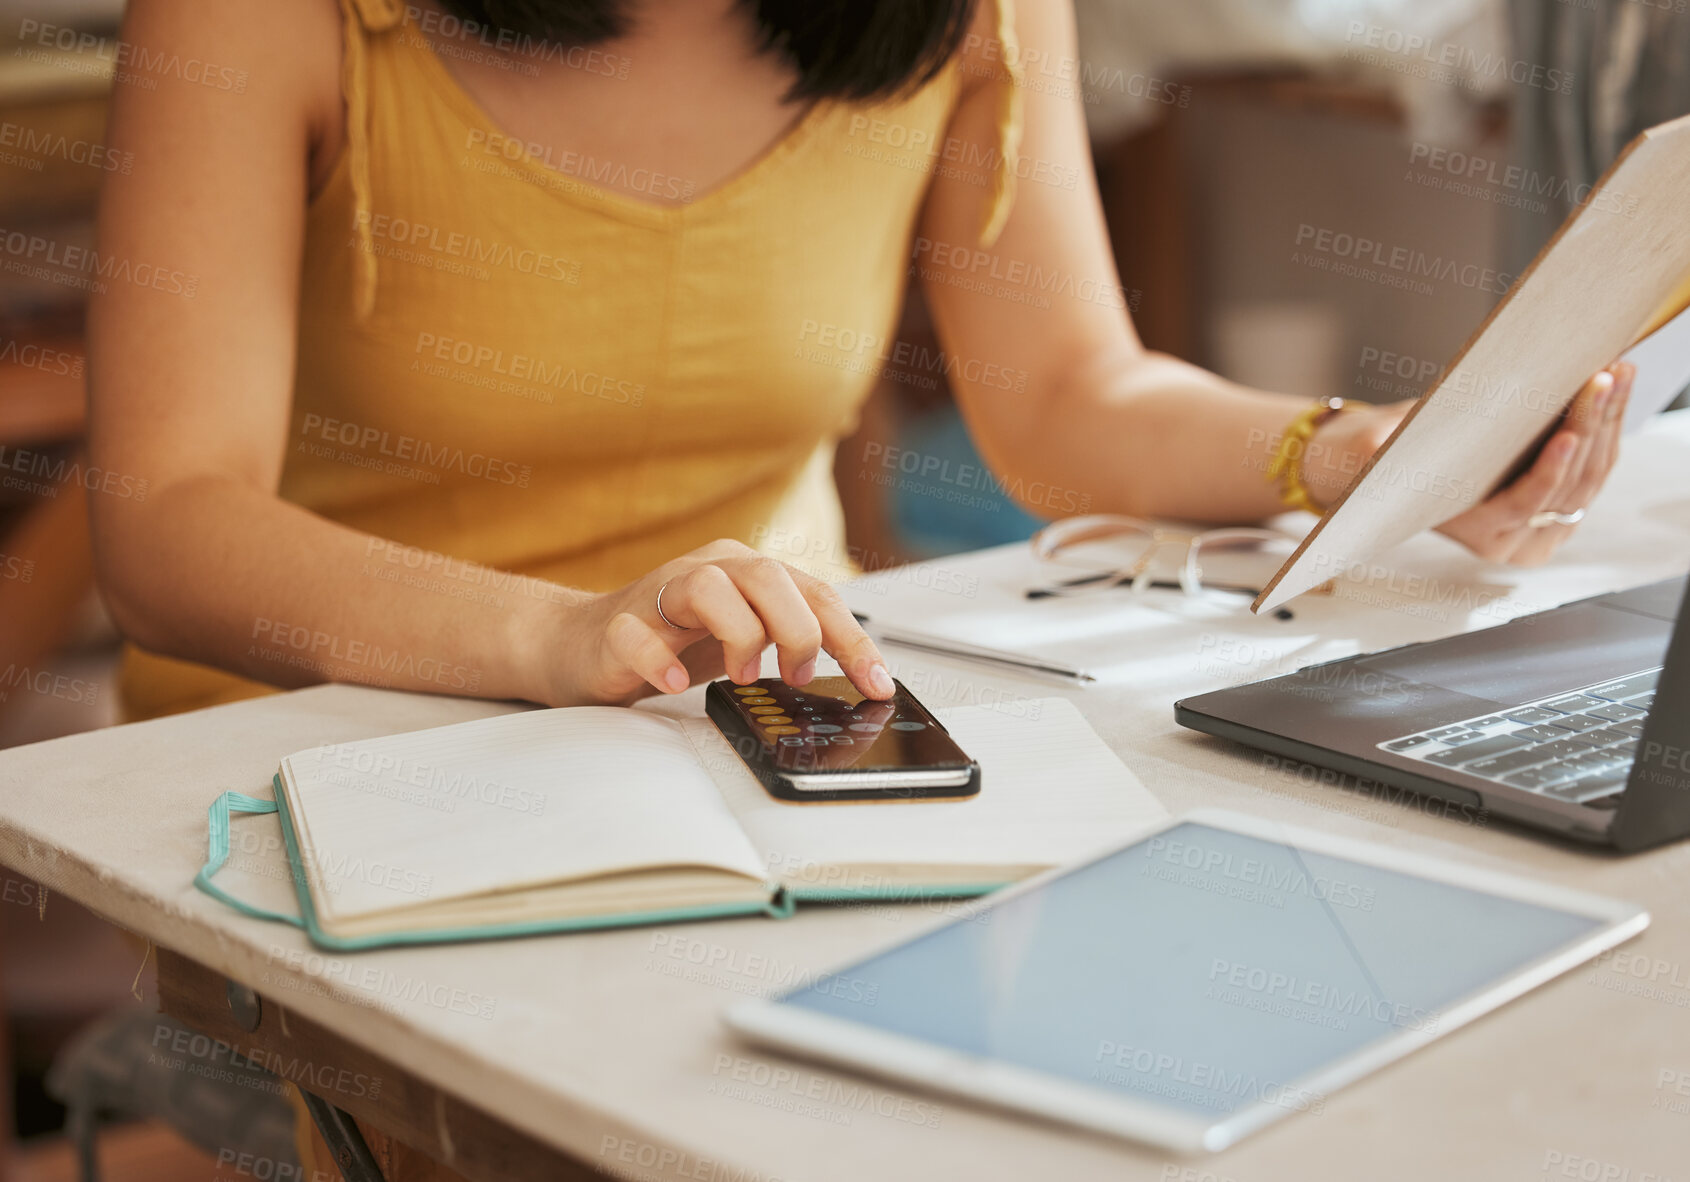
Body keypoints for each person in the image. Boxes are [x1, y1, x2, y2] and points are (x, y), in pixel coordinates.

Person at [88, 0, 1629, 727]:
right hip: (311, 734)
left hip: (764, 718)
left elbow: (1063, 399)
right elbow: (161, 525)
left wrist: (1356, 452)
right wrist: (564, 638)